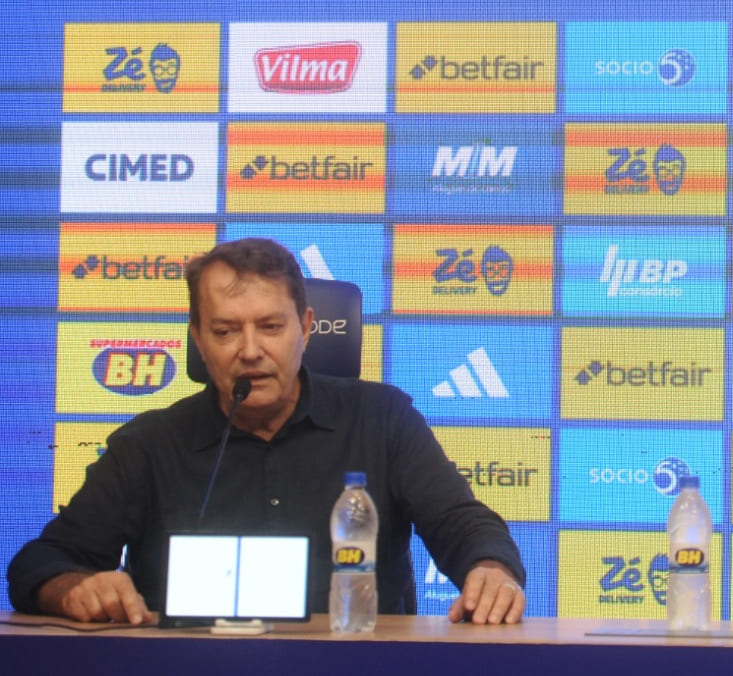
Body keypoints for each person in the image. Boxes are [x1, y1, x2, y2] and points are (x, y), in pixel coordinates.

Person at [8, 238, 526, 625]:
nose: (251, 350)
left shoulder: (382, 418)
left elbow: (461, 522)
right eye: (226, 330)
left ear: (306, 327)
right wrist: (72, 588)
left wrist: (491, 569)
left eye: (271, 327)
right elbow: (42, 562)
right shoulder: (149, 445)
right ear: (198, 340)